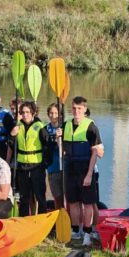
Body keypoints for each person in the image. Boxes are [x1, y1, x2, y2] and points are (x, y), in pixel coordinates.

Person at [63, 96, 102, 247]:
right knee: (73, 202)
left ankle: (87, 233)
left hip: (85, 168)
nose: (76, 111)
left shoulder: (91, 127)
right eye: (74, 108)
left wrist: (89, 174)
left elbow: (95, 152)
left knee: (87, 204)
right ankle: (75, 231)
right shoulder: (66, 125)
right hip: (70, 168)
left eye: (79, 109)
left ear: (85, 109)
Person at [15, 101, 50, 215]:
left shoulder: (40, 127)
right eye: (23, 112)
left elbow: (48, 145)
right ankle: (23, 221)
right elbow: (12, 145)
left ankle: (42, 221)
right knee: (24, 197)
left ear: (33, 113)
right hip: (22, 166)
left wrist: (45, 163)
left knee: (39, 196)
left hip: (37, 166)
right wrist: (11, 135)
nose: (25, 115)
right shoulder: (17, 127)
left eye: (27, 112)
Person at [44, 103, 64, 209]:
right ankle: (59, 219)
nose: (53, 115)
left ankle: (70, 220)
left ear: (60, 115)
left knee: (68, 198)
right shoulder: (45, 129)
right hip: (52, 167)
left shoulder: (65, 127)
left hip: (64, 167)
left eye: (56, 113)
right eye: (51, 113)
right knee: (57, 197)